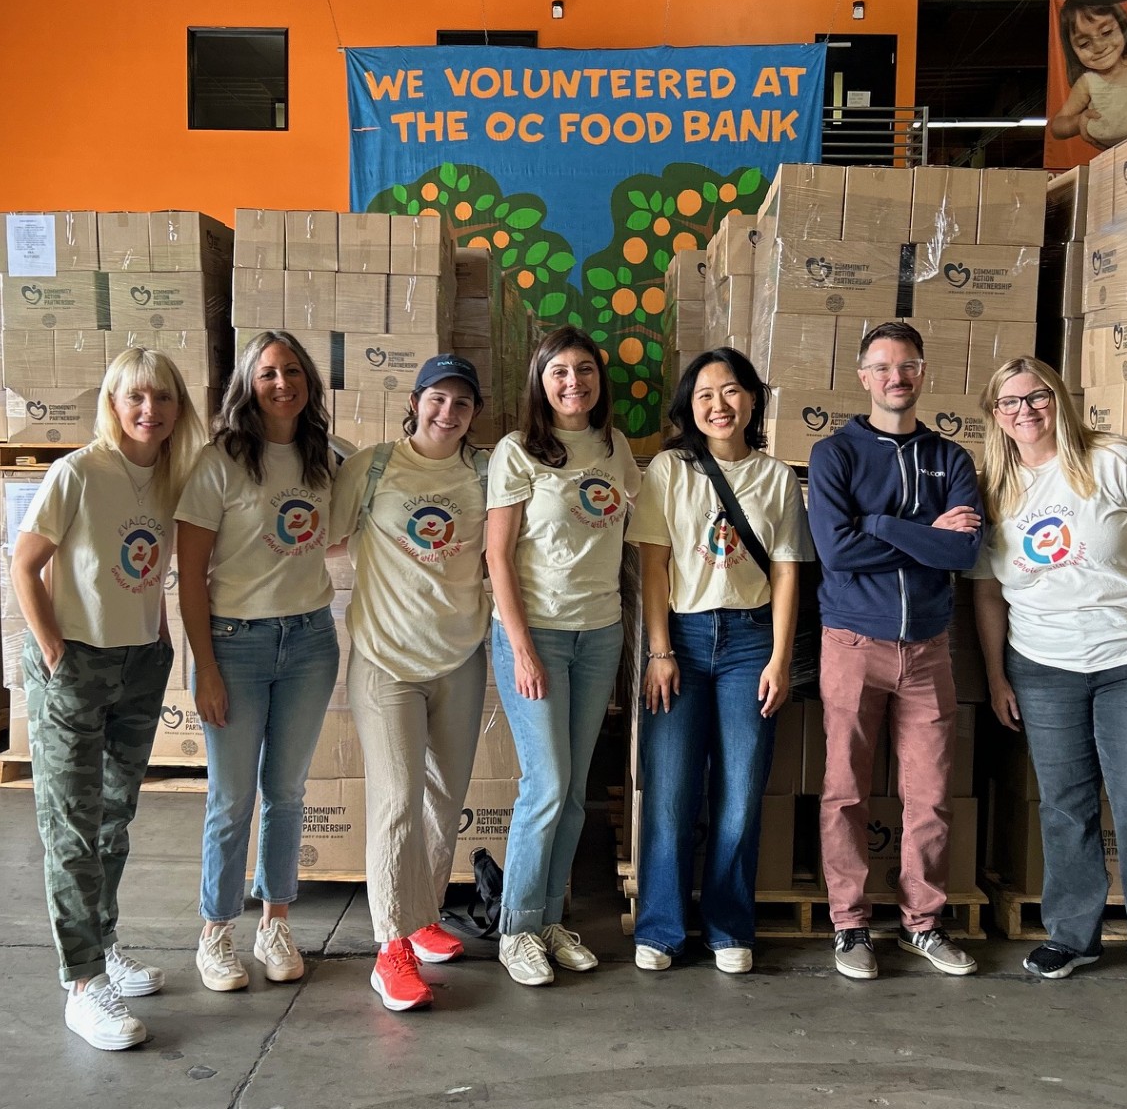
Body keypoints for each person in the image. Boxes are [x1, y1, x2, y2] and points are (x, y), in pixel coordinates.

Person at [968, 357, 1127, 1000]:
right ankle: (1072, 936)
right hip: (1043, 667)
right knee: (1064, 804)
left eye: (1037, 396)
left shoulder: (1118, 460)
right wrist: (996, 675)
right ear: (994, 414)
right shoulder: (991, 486)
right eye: (1009, 402)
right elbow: (987, 592)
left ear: (1059, 398)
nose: (1025, 411)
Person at [10, 347, 205, 1051]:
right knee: (71, 824)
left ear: (179, 407)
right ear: (114, 403)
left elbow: (155, 568)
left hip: (139, 663)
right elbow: (24, 565)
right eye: (136, 397)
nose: (150, 410)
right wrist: (55, 651)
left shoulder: (174, 479)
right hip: (77, 661)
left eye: (163, 397)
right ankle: (82, 983)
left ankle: (105, 943)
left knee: (114, 817)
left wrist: (160, 637)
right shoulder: (78, 472)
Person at [806, 322, 985, 982]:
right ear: (863, 377)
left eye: (906, 365)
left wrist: (877, 526)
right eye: (881, 367)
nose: (895, 377)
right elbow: (837, 550)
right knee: (845, 792)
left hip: (929, 649)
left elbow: (964, 550)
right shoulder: (835, 454)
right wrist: (915, 531)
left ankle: (923, 925)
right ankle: (850, 925)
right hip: (853, 642)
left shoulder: (951, 458)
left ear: (922, 372)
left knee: (930, 795)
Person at [628, 347, 812, 975]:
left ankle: (729, 926)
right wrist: (658, 650)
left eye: (731, 391)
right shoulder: (669, 470)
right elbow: (653, 566)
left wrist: (780, 660)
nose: (719, 405)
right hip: (679, 637)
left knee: (740, 792)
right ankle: (660, 927)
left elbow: (787, 573)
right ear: (690, 407)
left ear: (753, 399)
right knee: (670, 791)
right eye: (705, 394)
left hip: (751, 642)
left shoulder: (777, 477)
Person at [176, 332, 341, 994]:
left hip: (310, 641)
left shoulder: (322, 456)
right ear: (248, 383)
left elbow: (340, 529)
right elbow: (190, 576)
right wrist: (205, 666)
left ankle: (275, 922)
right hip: (235, 644)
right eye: (268, 373)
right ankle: (216, 930)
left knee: (287, 793)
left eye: (293, 371)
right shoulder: (218, 461)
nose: (282, 384)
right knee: (231, 797)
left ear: (309, 382)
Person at [329, 353, 491, 1012]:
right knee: (397, 797)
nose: (447, 412)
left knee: (443, 796)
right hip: (386, 660)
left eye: (461, 402)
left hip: (459, 656)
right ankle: (390, 947)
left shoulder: (484, 472)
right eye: (437, 399)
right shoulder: (372, 468)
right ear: (416, 400)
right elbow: (327, 536)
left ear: (473, 413)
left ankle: (421, 915)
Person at [485, 327, 640, 986]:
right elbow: (497, 556)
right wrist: (522, 648)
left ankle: (550, 918)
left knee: (574, 791)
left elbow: (639, 520)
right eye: (559, 372)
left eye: (584, 370)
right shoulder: (517, 451)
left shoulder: (614, 447)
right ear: (540, 382)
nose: (574, 382)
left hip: (598, 633)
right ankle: (516, 929)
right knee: (545, 785)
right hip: (537, 635)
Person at [1048, 0, 1127, 149]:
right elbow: (1057, 126)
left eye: (1106, 32)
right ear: (1072, 50)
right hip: (1113, 155)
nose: (1099, 47)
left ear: (1122, 25)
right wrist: (1078, 122)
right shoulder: (1089, 82)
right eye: (1084, 43)